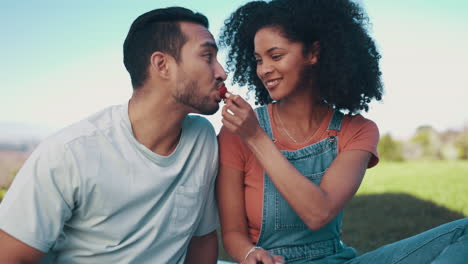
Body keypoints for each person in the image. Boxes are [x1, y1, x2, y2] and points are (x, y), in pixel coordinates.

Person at [216, 0, 468, 263]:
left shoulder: (358, 131)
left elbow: (318, 213)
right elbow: (233, 233)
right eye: (258, 60)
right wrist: (248, 254)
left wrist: (256, 138)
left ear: (313, 53)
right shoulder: (237, 131)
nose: (264, 69)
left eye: (276, 56)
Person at [0, 6, 226, 264]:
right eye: (207, 56)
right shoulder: (70, 154)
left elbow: (202, 239)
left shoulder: (202, 139)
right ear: (162, 65)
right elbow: (9, 257)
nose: (222, 72)